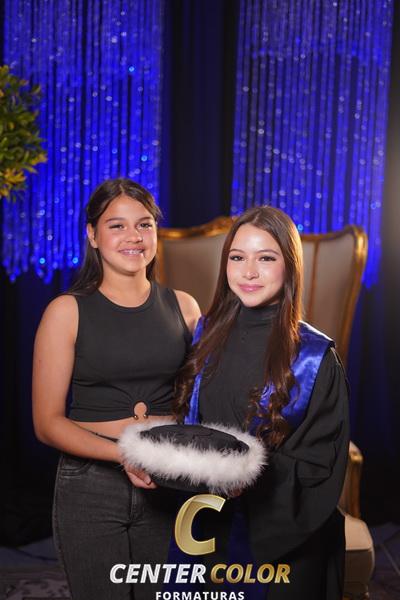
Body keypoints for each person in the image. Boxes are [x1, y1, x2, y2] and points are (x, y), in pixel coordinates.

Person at [32, 178, 201, 600]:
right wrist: (125, 455)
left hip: (167, 476)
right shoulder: (65, 311)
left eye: (144, 225)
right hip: (90, 482)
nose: (134, 236)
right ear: (92, 235)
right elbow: (47, 423)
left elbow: (200, 402)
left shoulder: (185, 307)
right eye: (117, 225)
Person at [174, 206, 350, 599]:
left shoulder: (315, 358)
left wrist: (246, 475)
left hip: (281, 542)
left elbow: (319, 464)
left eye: (265, 258)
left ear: (290, 266)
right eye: (237, 258)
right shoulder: (203, 336)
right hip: (202, 524)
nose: (248, 272)